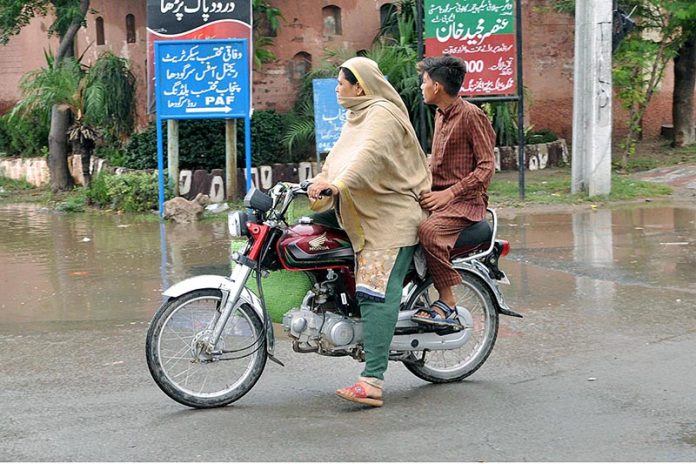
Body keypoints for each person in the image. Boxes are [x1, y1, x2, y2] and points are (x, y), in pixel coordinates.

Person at [307, 57, 431, 407]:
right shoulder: (356, 116)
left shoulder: (383, 114)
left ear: (359, 85)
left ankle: (373, 380)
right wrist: (321, 180)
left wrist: (339, 185)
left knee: (375, 292)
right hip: (360, 210)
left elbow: (369, 157)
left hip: (389, 216)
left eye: (341, 82)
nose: (337, 87)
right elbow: (338, 158)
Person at [411, 55, 496, 327]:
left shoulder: (472, 115)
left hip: (465, 204)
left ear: (437, 86)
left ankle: (447, 301)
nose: (421, 86)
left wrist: (448, 194)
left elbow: (486, 168)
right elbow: (438, 161)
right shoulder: (440, 115)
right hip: (438, 196)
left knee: (428, 232)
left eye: (423, 81)